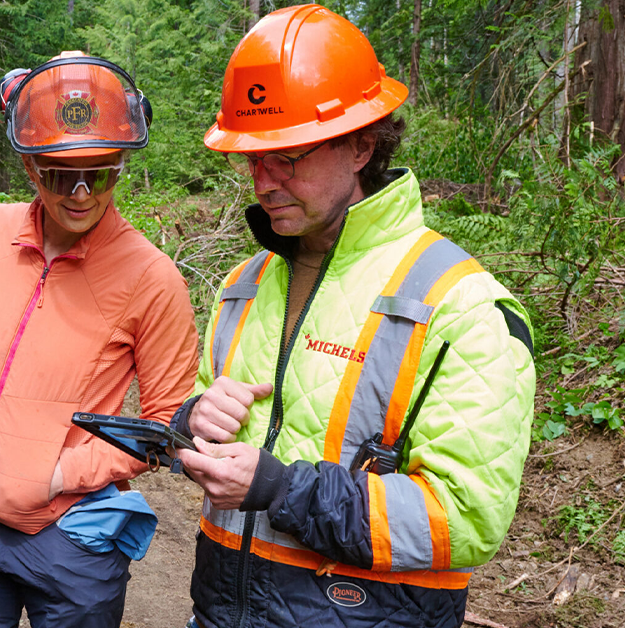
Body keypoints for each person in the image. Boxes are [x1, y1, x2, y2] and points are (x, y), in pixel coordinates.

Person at [169, 6, 537, 627]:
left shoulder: (459, 305)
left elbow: (466, 518)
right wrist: (192, 421)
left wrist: (285, 490)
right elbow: (203, 434)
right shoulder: (241, 286)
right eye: (254, 158)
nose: (266, 181)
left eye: (290, 156)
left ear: (363, 144)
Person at [0, 51, 199, 628]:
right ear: (30, 167)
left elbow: (168, 422)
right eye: (62, 174)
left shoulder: (152, 278)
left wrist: (63, 476)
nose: (82, 192)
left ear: (120, 164)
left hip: (67, 536)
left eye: (101, 171)